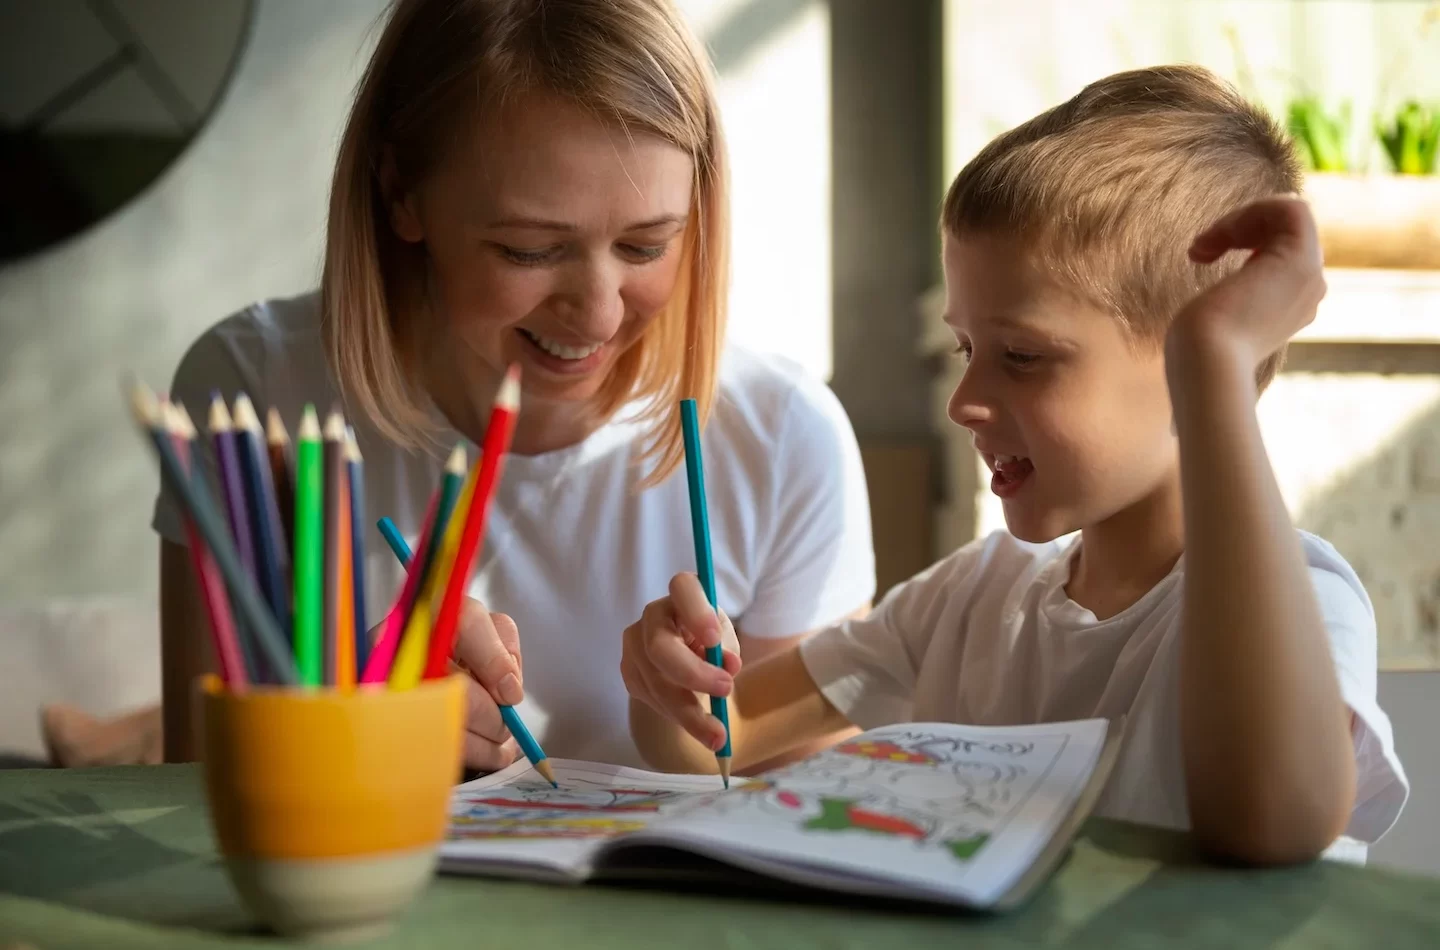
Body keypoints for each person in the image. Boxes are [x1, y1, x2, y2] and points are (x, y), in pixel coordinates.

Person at [616, 66, 1409, 866]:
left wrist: (1216, 368)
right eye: (968, 349)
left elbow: (1269, 827)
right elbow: (716, 746)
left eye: (1023, 356)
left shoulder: (1302, 601)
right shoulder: (965, 600)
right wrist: (669, 691)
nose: (963, 401)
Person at [154, 0, 873, 770]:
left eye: (645, 244)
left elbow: (812, 820)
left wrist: (705, 732)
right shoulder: (256, 396)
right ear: (401, 192)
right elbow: (198, 795)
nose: (597, 312)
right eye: (529, 250)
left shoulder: (786, 433)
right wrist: (347, 729)